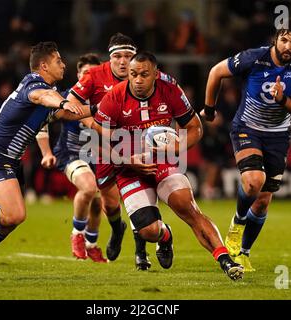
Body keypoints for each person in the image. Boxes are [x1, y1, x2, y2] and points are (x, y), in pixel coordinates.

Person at [92, 51, 244, 281]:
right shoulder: (114, 97)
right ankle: (165, 237)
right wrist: (126, 159)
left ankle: (226, 260)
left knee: (189, 209)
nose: (138, 80)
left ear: (156, 74)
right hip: (129, 168)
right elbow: (97, 138)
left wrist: (176, 148)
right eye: (133, 75)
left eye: (144, 74)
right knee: (149, 231)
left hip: (162, 161)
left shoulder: (170, 89)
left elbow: (195, 127)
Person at [0, 42, 85, 279]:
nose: (63, 64)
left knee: (7, 221)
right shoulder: (34, 85)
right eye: (58, 61)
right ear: (43, 66)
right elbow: (44, 97)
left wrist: (100, 108)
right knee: (15, 214)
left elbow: (65, 113)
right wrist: (63, 101)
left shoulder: (47, 91)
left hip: (8, 160)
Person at [201, 19, 291, 271]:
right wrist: (210, 109)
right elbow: (216, 72)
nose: (288, 46)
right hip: (247, 128)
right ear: (275, 40)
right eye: (284, 40)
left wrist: (282, 99)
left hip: (278, 135)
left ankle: (243, 252)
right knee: (253, 180)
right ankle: (237, 225)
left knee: (263, 201)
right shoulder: (255, 57)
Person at [67, 33, 178, 270]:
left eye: (128, 56)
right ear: (110, 58)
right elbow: (70, 103)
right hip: (105, 148)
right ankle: (117, 230)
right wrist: (93, 123)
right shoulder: (94, 75)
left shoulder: (145, 76)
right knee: (109, 202)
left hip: (140, 145)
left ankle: (141, 253)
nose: (123, 61)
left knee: (142, 198)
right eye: (118, 56)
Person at [36, 53, 107, 262]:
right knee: (88, 187)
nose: (90, 78)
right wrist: (46, 152)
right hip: (70, 154)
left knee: (97, 204)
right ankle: (77, 234)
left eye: (94, 74)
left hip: (98, 157)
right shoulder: (67, 97)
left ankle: (91, 245)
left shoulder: (107, 98)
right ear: (78, 75)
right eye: (86, 73)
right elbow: (42, 120)